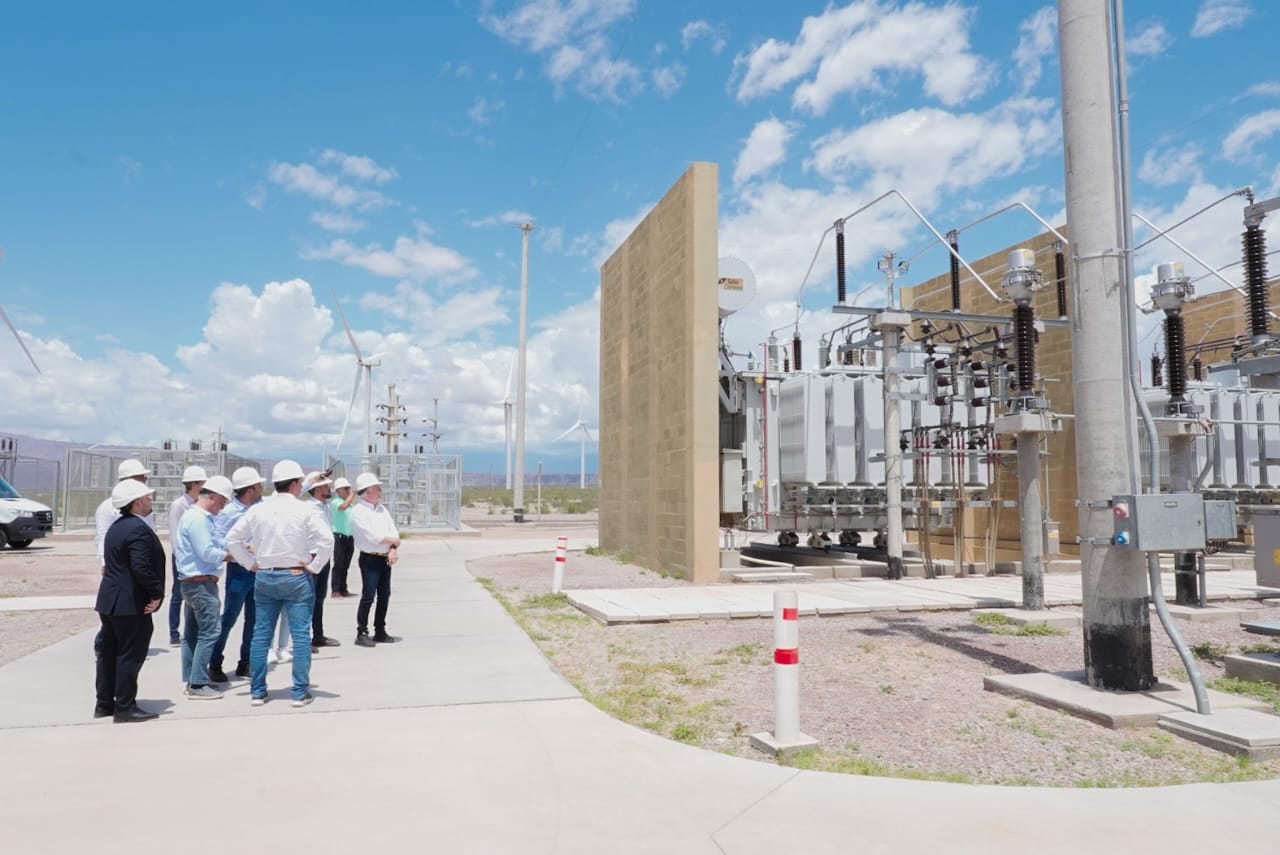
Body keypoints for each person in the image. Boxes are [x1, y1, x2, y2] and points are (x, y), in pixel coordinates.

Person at [226, 460, 332, 708]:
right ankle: (299, 691)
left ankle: (258, 691)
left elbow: (233, 539)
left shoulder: (258, 509)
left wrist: (249, 563)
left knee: (261, 635)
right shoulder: (305, 510)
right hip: (295, 575)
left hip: (264, 575)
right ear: (296, 484)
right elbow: (326, 541)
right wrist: (314, 566)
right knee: (301, 635)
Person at [94, 478, 165, 723]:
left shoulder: (117, 527)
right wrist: (156, 593)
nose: (150, 501)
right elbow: (141, 567)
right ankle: (124, 706)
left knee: (108, 652)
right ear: (136, 503)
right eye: (146, 498)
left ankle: (104, 703)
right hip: (130, 603)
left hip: (110, 601)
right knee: (129, 654)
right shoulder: (137, 529)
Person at [174, 475, 233, 699]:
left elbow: (215, 542)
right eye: (222, 502)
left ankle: (192, 677)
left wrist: (234, 545)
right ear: (213, 497)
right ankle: (198, 683)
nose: (223, 507)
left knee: (192, 633)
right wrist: (233, 555)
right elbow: (207, 552)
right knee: (210, 631)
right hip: (200, 583)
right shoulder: (198, 519)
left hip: (193, 582)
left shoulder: (198, 517)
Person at [208, 466, 264, 683]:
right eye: (258, 485)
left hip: (258, 570)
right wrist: (242, 548)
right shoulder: (229, 513)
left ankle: (245, 662)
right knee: (229, 617)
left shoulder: (260, 507)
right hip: (239, 571)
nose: (261, 488)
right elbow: (219, 539)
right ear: (250, 489)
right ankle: (215, 662)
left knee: (254, 618)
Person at [350, 473, 402, 648]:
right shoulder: (358, 512)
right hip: (370, 559)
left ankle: (380, 629)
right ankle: (362, 632)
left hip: (385, 558)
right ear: (368, 491)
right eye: (377, 488)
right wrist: (393, 541)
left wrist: (393, 549)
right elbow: (374, 537)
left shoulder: (382, 509)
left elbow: (393, 532)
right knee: (368, 596)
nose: (380, 491)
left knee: (384, 595)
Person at [165, 465, 207, 646]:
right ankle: (174, 632)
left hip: (197, 557)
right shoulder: (179, 505)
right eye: (202, 483)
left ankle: (191, 630)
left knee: (194, 595)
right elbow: (174, 533)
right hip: (182, 557)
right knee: (178, 594)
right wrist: (180, 558)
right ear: (194, 484)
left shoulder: (201, 504)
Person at [302, 472, 341, 652]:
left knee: (319, 599)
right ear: (317, 489)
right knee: (308, 600)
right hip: (312, 556)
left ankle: (318, 635)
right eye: (325, 486)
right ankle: (305, 638)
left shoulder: (325, 506)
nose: (329, 489)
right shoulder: (309, 507)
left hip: (323, 557)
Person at [94, 458, 154, 573]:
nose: (145, 479)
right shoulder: (107, 507)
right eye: (142, 477)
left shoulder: (144, 504)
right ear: (131, 480)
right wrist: (104, 562)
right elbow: (103, 536)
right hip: (122, 563)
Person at [329, 477, 357, 597]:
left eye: (348, 489)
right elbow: (343, 507)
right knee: (338, 564)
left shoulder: (351, 505)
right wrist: (352, 495)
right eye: (345, 489)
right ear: (338, 491)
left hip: (349, 537)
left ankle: (343, 588)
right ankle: (335, 590)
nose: (347, 491)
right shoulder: (336, 502)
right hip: (339, 537)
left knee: (345, 565)